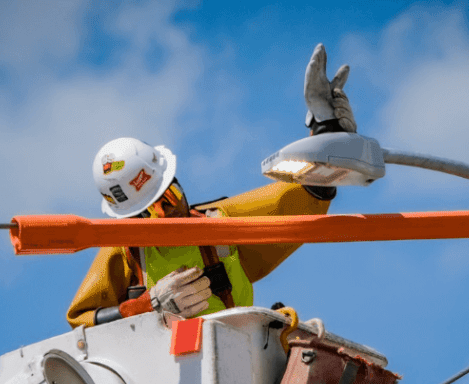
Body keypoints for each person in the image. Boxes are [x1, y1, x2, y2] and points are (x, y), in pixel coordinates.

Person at [66, 44, 357, 328]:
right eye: (154, 209)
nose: (171, 211)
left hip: (236, 352)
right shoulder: (124, 250)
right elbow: (82, 322)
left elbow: (296, 201)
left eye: (171, 194)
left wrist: (327, 136)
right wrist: (147, 306)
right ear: (132, 218)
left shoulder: (217, 222)